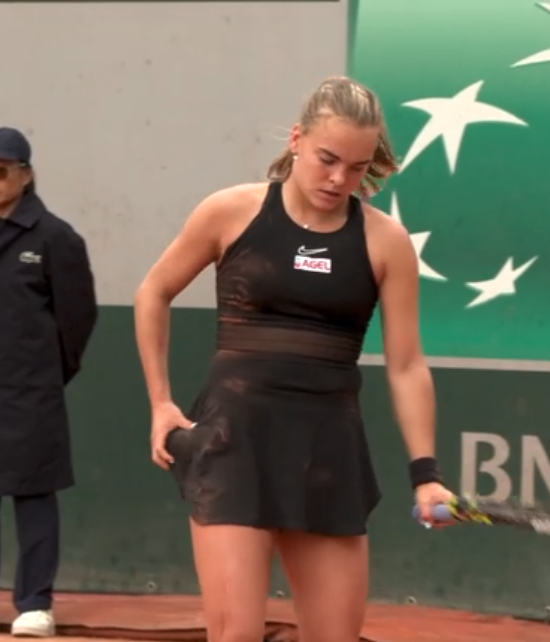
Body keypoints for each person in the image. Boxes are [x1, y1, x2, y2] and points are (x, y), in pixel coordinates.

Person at [134, 76, 453, 642]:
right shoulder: (229, 212)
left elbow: (406, 364)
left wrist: (426, 474)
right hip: (234, 444)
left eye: (356, 167)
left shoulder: (386, 242)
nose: (339, 179)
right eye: (328, 159)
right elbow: (153, 292)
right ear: (298, 138)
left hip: (328, 452)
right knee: (236, 634)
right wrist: (161, 402)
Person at [0, 127, 98, 638]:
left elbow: (76, 319)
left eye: (0, 171)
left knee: (35, 494)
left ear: (25, 175)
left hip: (30, 392)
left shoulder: (55, 238)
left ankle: (35, 604)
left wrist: (45, 372)